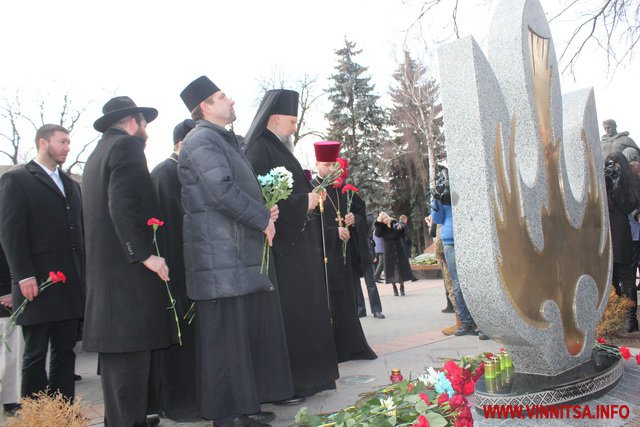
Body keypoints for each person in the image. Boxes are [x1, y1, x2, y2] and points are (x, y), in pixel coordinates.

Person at [178, 76, 293, 426]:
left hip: (231, 257)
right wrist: (261, 219)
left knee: (236, 339)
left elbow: (236, 190)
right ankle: (226, 417)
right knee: (223, 341)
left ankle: (242, 408)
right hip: (218, 260)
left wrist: (265, 208)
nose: (230, 100)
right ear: (205, 107)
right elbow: (220, 192)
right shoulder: (202, 141)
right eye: (221, 96)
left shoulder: (222, 140)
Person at [82, 96, 174, 427]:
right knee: (129, 364)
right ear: (133, 122)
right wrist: (145, 254)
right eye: (145, 124)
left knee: (121, 366)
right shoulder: (127, 147)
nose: (146, 131)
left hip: (109, 279)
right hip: (126, 279)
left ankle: (121, 419)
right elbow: (121, 206)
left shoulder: (97, 154)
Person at [244, 89, 339, 400]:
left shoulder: (277, 146)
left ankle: (308, 379)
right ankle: (292, 383)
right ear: (274, 118)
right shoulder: (259, 149)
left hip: (297, 248)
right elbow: (261, 200)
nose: (295, 126)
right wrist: (305, 201)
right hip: (284, 250)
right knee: (291, 316)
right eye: (292, 120)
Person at [0, 124, 85, 402]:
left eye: (68, 142)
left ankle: (62, 413)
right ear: (42, 142)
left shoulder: (71, 185)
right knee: (35, 353)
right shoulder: (18, 180)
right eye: (62, 141)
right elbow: (11, 233)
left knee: (65, 351)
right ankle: (36, 415)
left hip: (69, 283)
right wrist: (22, 275)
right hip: (36, 283)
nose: (67, 147)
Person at [148, 119, 198, 421]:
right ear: (182, 142)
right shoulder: (164, 174)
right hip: (173, 272)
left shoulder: (187, 172)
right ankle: (175, 402)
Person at [312, 141, 377, 362]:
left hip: (345, 258)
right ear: (317, 164)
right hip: (325, 259)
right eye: (326, 164)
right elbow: (309, 225)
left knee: (348, 301)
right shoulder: (312, 189)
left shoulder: (343, 191)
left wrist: (354, 219)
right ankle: (333, 350)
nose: (331, 169)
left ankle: (352, 347)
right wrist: (332, 232)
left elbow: (362, 215)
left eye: (333, 165)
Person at [605, 152, 640, 332]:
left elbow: (628, 206)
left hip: (623, 236)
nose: (612, 168)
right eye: (609, 164)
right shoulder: (604, 180)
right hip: (606, 236)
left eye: (615, 165)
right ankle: (614, 316)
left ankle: (630, 320)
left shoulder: (630, 182)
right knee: (609, 280)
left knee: (627, 278)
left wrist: (617, 185)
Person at [0, 245, 23, 416]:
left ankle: (12, 398)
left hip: (10, 296)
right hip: (5, 301)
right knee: (10, 354)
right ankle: (10, 400)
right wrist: (6, 290)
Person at [354, 213, 385, 319]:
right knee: (356, 285)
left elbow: (368, 221)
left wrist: (354, 217)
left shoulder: (365, 213)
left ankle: (376, 310)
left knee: (370, 283)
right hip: (353, 253)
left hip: (366, 252)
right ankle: (360, 310)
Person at [374, 212, 413, 296]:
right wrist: (379, 224)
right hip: (388, 250)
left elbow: (402, 234)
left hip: (398, 248)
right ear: (381, 220)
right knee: (391, 269)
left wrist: (400, 229)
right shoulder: (381, 227)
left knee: (400, 268)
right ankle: (394, 286)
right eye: (383, 218)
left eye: (386, 217)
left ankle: (402, 286)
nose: (386, 219)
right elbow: (377, 234)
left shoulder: (394, 223)